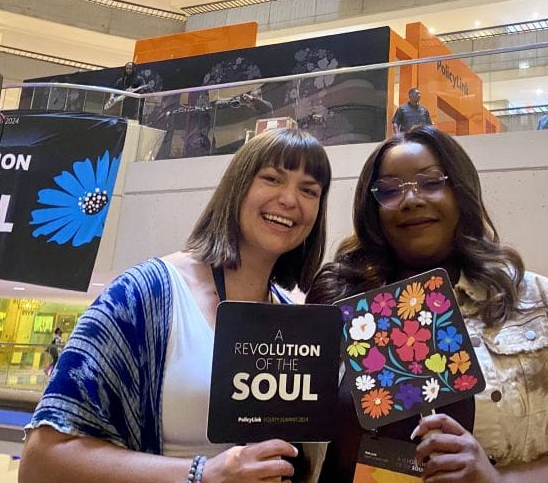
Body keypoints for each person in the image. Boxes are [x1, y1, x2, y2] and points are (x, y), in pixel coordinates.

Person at [306, 126, 548, 482]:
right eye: (389, 190)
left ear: (461, 192)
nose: (410, 199)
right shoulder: (337, 305)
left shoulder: (535, 301)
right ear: (373, 209)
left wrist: (499, 481)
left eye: (431, 182)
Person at [20, 128, 332, 483]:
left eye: (309, 190)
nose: (290, 200)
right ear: (237, 187)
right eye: (273, 178)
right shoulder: (144, 294)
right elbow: (40, 460)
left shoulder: (295, 316)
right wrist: (203, 474)